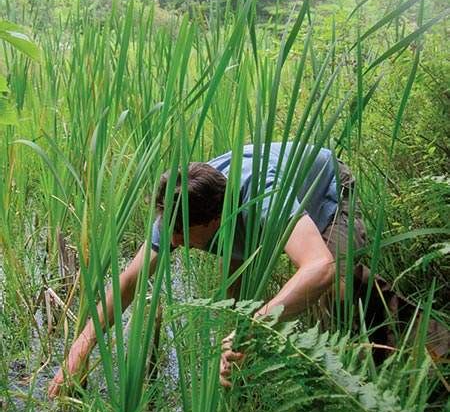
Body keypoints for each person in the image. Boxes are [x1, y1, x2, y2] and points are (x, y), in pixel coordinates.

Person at [49, 142, 366, 398]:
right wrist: (80, 348)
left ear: (215, 222)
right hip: (243, 211)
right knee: (237, 294)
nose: (175, 242)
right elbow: (129, 282)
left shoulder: (261, 196)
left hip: (324, 188)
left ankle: (392, 340)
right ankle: (252, 373)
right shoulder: (179, 209)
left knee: (337, 285)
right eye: (170, 232)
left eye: (183, 236)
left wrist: (254, 326)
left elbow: (318, 267)